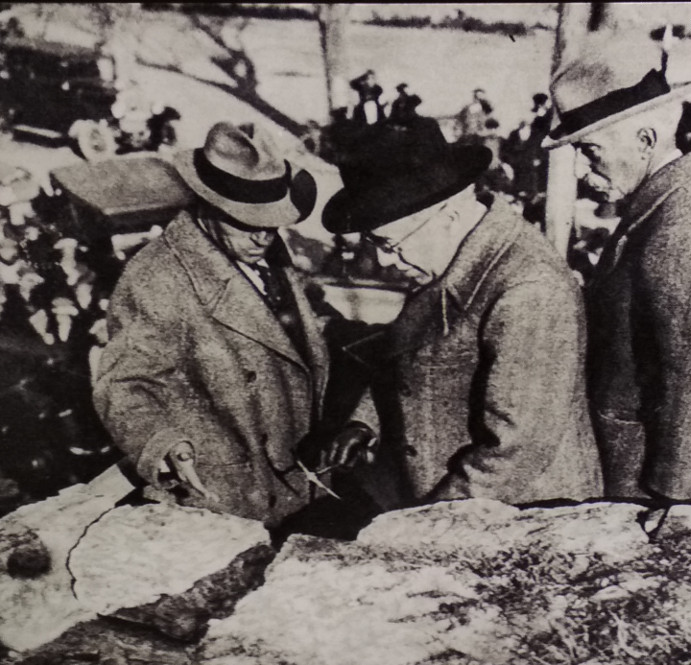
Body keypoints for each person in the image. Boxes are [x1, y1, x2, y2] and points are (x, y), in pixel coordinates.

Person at [319, 116, 602, 511]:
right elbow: (418, 358)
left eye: (389, 243)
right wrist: (367, 419)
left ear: (449, 216)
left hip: (512, 517)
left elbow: (514, 451)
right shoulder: (447, 253)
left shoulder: (528, 289)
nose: (384, 260)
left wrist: (427, 524)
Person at [543, 39, 691, 504]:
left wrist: (668, 500)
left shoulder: (682, 229)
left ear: (645, 140)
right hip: (690, 455)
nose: (581, 169)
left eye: (590, 150)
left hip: (653, 473)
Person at [93, 122, 341, 528]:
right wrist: (165, 442)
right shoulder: (158, 276)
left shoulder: (262, 250)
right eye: (247, 221)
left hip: (300, 475)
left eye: (272, 221)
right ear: (208, 207)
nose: (264, 236)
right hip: (230, 491)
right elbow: (124, 384)